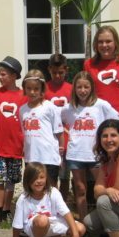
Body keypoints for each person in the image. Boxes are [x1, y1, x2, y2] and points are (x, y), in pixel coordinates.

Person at [61, 71, 119, 220]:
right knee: (80, 189)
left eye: (86, 87)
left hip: (96, 155)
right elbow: (58, 124)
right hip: (75, 155)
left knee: (101, 189)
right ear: (74, 89)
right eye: (79, 87)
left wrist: (109, 139)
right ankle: (84, 222)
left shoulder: (101, 105)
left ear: (92, 87)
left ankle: (105, 220)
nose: (83, 91)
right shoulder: (68, 108)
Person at [8, 162, 85, 237]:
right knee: (42, 220)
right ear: (27, 180)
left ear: (46, 178)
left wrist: (75, 233)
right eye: (35, 178)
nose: (39, 181)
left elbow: (66, 212)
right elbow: (17, 223)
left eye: (41, 177)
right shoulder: (23, 198)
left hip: (51, 223)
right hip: (34, 227)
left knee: (80, 228)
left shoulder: (53, 192)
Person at [0, 56, 27, 229]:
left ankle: (7, 210)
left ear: (14, 76)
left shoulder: (23, 96)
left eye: (3, 74)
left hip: (16, 147)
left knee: (12, 180)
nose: (0, 77)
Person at [19, 69, 64, 187]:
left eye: (36, 89)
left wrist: (61, 153)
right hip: (31, 158)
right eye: (29, 88)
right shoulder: (22, 110)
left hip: (49, 158)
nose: (32, 92)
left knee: (50, 189)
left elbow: (59, 133)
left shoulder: (50, 107)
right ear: (24, 88)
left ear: (42, 89)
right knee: (32, 188)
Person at [45, 53, 72, 199]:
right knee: (53, 174)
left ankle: (65, 203)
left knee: (65, 175)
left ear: (66, 70)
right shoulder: (44, 89)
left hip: (68, 140)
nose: (57, 76)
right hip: (51, 140)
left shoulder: (71, 89)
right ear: (49, 69)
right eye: (54, 72)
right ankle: (52, 202)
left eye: (60, 72)